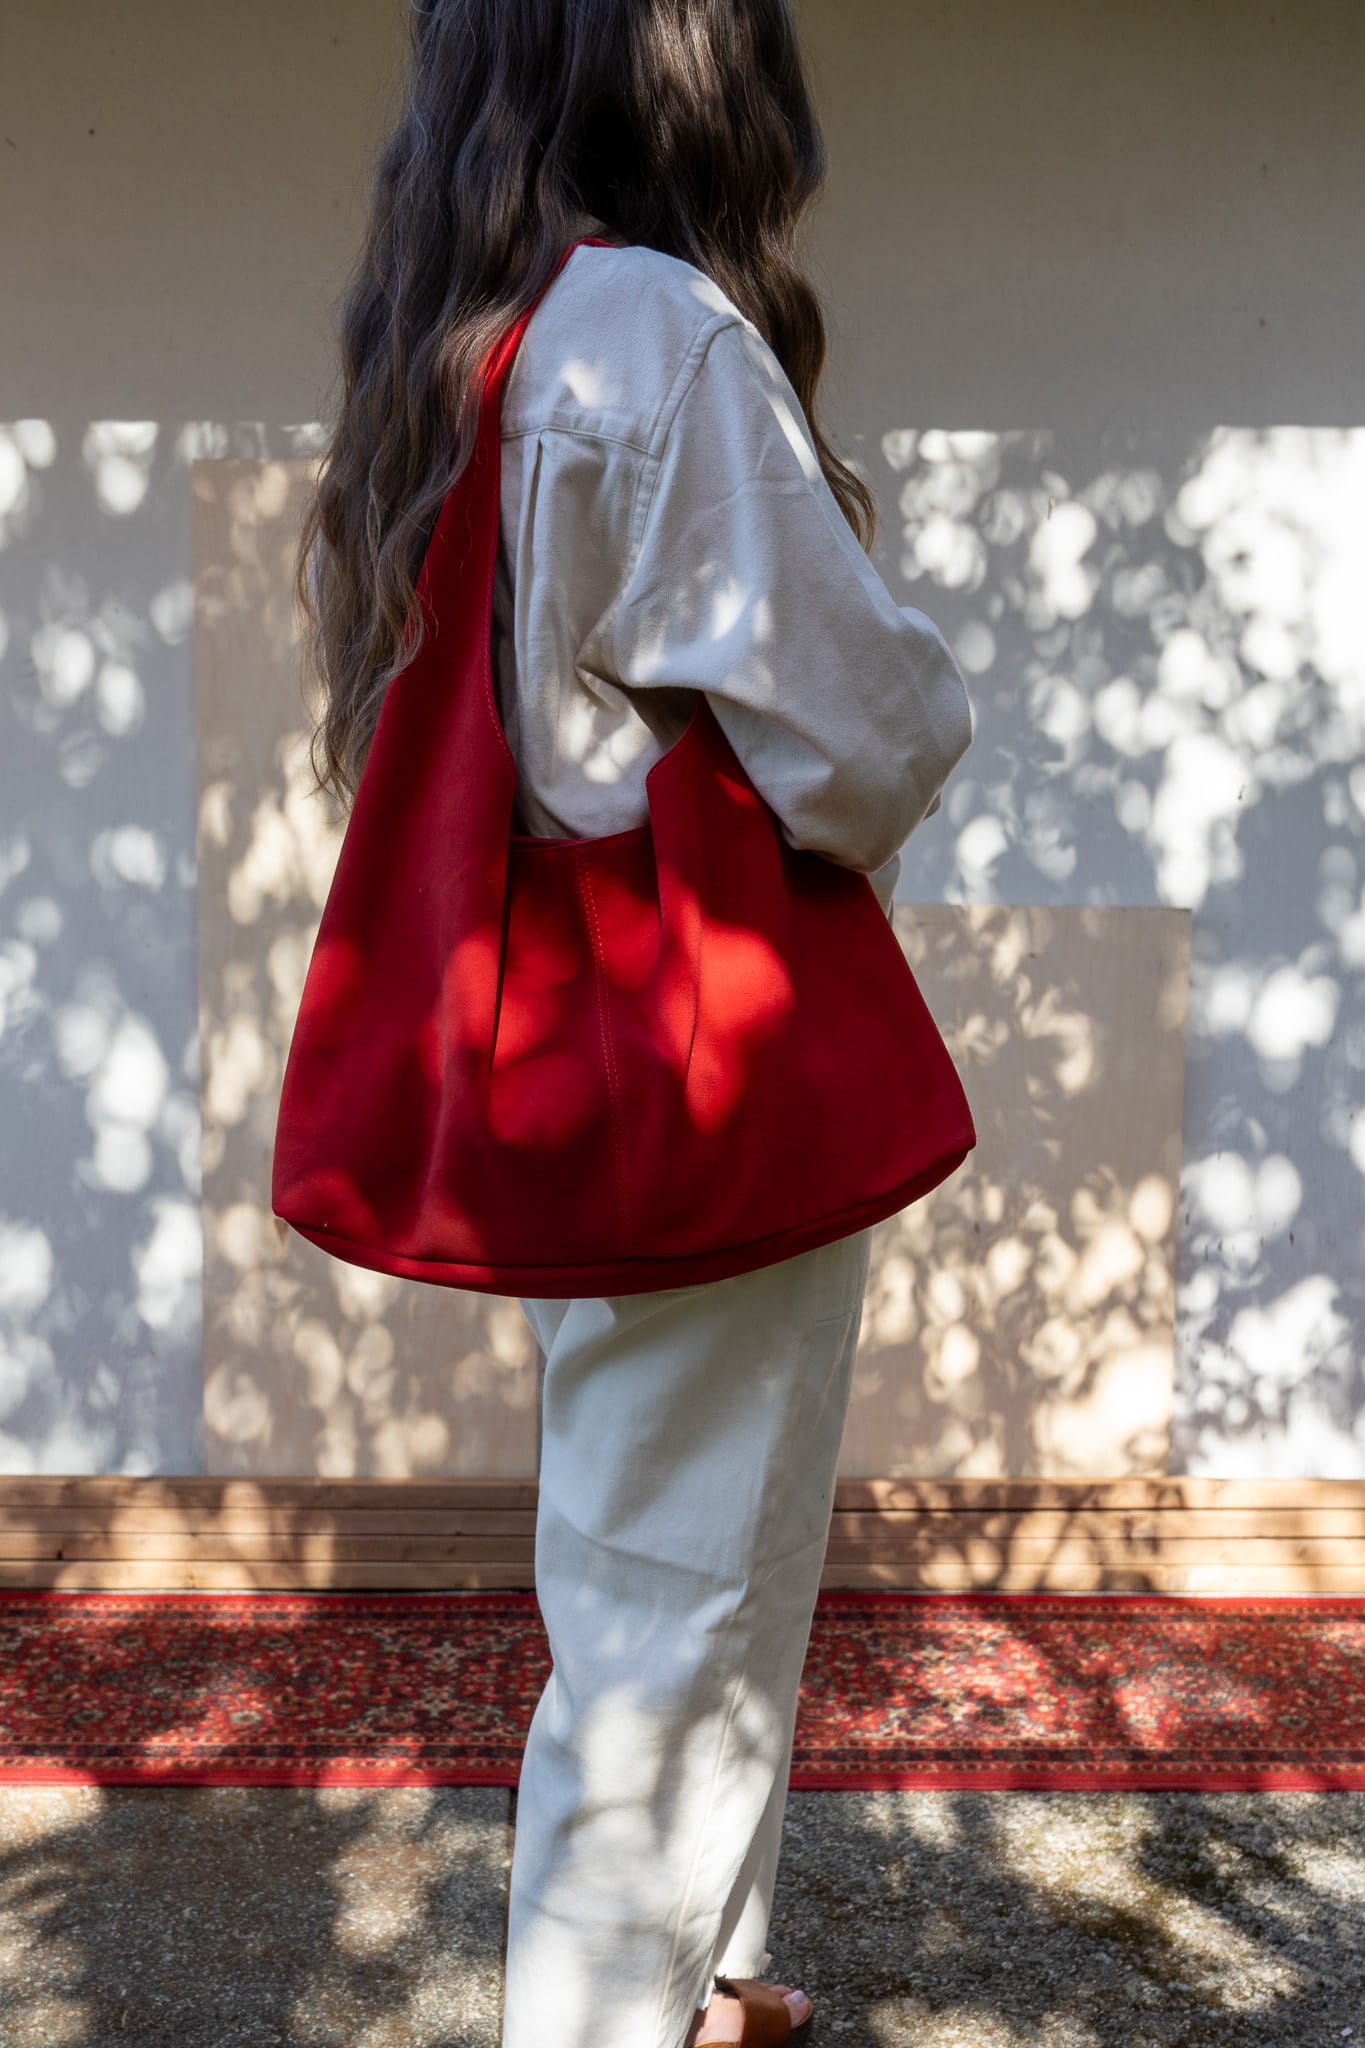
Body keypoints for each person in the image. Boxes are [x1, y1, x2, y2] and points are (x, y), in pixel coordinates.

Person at [293, 5, 974, 2046]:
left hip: (582, 1064)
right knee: (664, 1641)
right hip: (707, 1075)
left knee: (672, 1584)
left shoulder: (468, 351)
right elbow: (872, 737)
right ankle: (618, 2012)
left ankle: (721, 1993)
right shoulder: (652, 339)